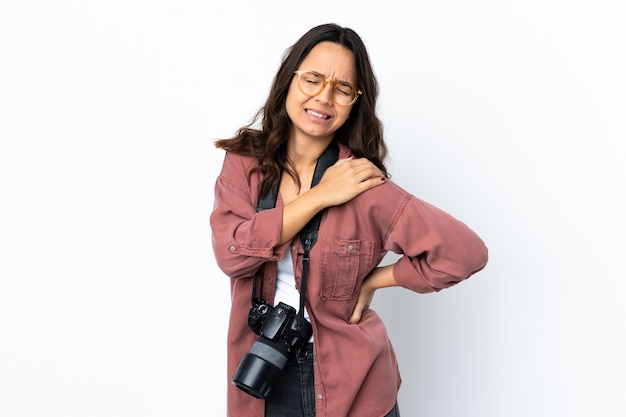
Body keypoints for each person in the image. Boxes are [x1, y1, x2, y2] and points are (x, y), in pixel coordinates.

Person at [210, 23, 488, 417]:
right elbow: (232, 254)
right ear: (289, 80)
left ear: (355, 102)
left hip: (353, 383)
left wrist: (376, 280)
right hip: (263, 374)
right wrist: (321, 195)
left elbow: (465, 253)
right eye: (312, 79)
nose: (323, 97)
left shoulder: (363, 183)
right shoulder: (244, 164)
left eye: (342, 89)